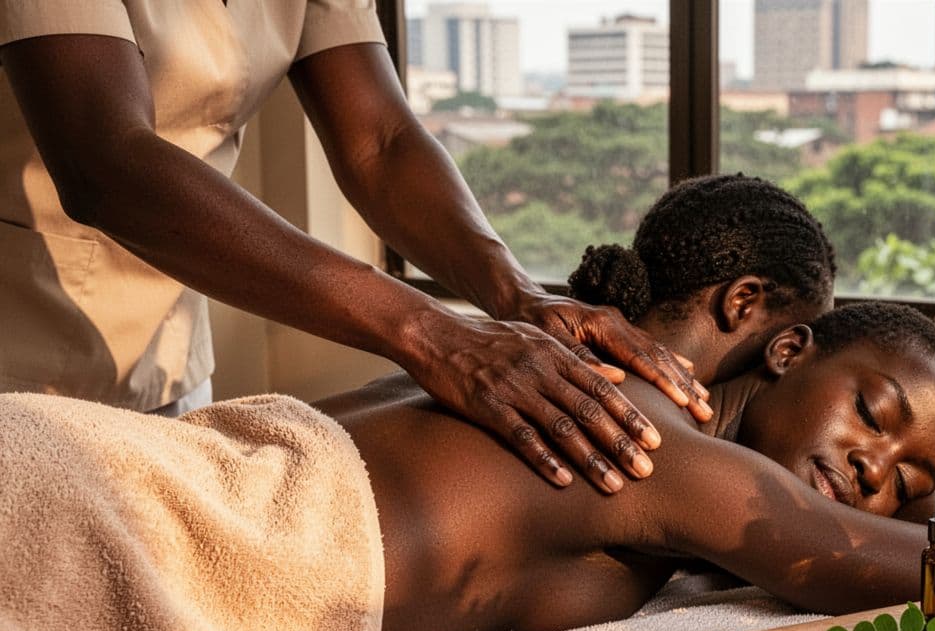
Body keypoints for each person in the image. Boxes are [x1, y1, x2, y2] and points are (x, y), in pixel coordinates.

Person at [0, 1, 704, 495]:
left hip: (168, 351)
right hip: (17, 355)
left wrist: (518, 296)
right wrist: (434, 334)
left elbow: (382, 143)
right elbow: (105, 161)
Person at [306, 176, 935, 631]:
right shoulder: (641, 432)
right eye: (870, 411)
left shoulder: (528, 362)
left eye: (907, 485)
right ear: (775, 338)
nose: (874, 469)